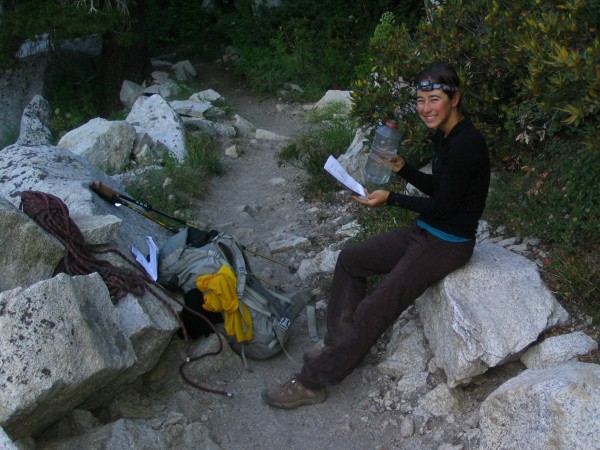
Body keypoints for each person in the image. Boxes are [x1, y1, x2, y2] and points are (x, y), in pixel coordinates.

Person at [261, 61, 491, 409]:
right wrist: (406, 170)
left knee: (376, 307)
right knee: (351, 260)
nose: (426, 108)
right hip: (426, 232)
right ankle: (341, 345)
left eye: (434, 99)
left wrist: (391, 198)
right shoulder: (446, 136)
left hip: (447, 244)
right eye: (420, 100)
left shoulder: (467, 143)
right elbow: (442, 189)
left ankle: (313, 382)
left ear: (454, 98)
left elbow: (444, 206)